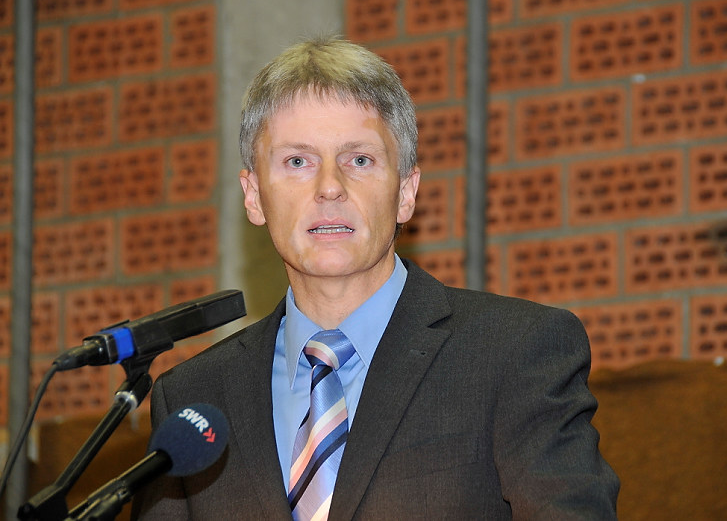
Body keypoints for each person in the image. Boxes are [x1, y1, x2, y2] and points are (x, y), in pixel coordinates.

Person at [132, 35, 619, 520]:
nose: (329, 187)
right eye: (297, 161)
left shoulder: (514, 351)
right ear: (254, 196)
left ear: (406, 192)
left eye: (359, 160)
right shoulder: (193, 400)